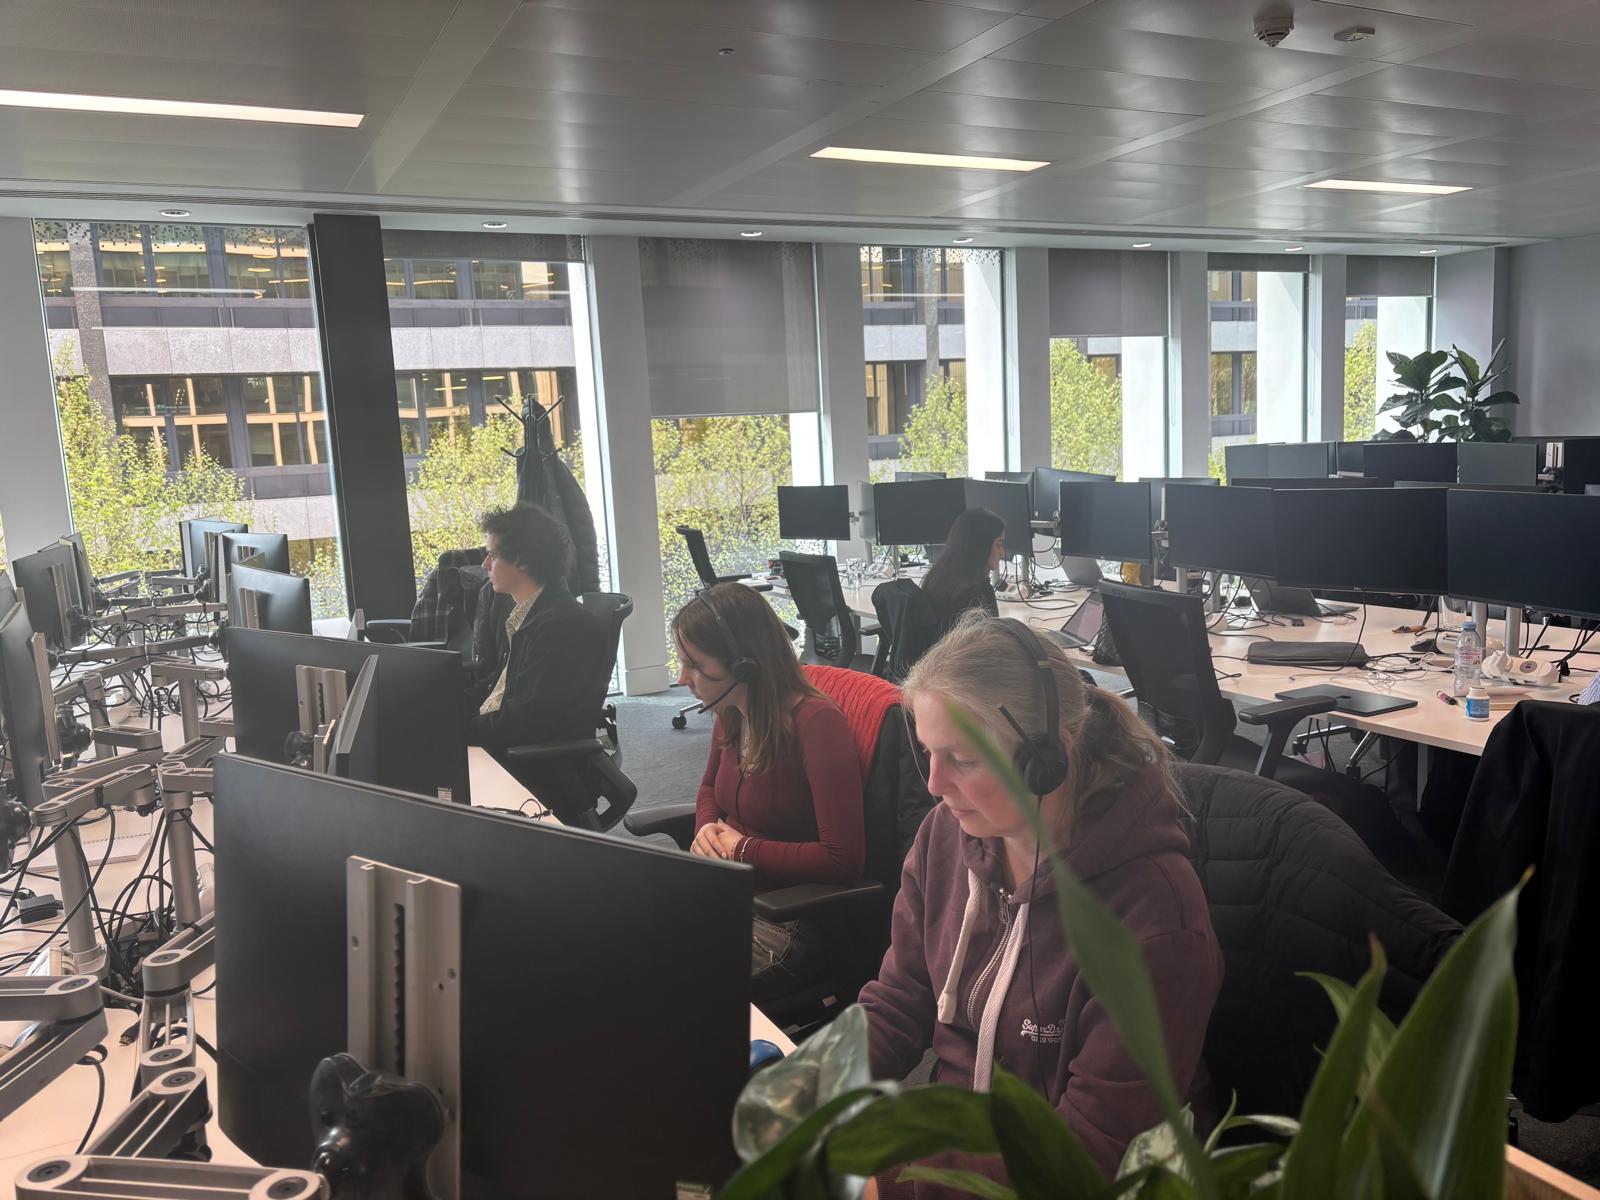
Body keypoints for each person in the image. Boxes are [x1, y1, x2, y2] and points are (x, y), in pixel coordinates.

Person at [858, 613, 1222, 1195]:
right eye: (928, 753)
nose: (934, 785)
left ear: (1046, 759)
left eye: (963, 759)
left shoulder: (1154, 918)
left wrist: (890, 1184)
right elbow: (900, 1000)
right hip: (954, 1156)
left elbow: (1091, 1152)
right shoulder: (945, 834)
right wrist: (810, 1093)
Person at [675, 582, 866, 885]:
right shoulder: (731, 709)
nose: (682, 678)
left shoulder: (817, 724)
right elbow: (709, 787)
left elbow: (842, 860)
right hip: (728, 880)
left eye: (694, 665)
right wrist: (706, 829)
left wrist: (743, 849)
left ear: (743, 665)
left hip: (783, 898)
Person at [468, 502, 608, 757]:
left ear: (521, 560)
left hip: (526, 763)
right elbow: (501, 690)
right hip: (502, 743)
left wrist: (454, 729)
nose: (485, 565)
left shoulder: (561, 627)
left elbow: (526, 720)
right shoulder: (529, 615)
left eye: (493, 555)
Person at [919, 508, 1004, 633]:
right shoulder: (972, 595)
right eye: (999, 545)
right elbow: (990, 641)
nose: (1002, 553)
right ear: (981, 545)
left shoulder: (937, 577)